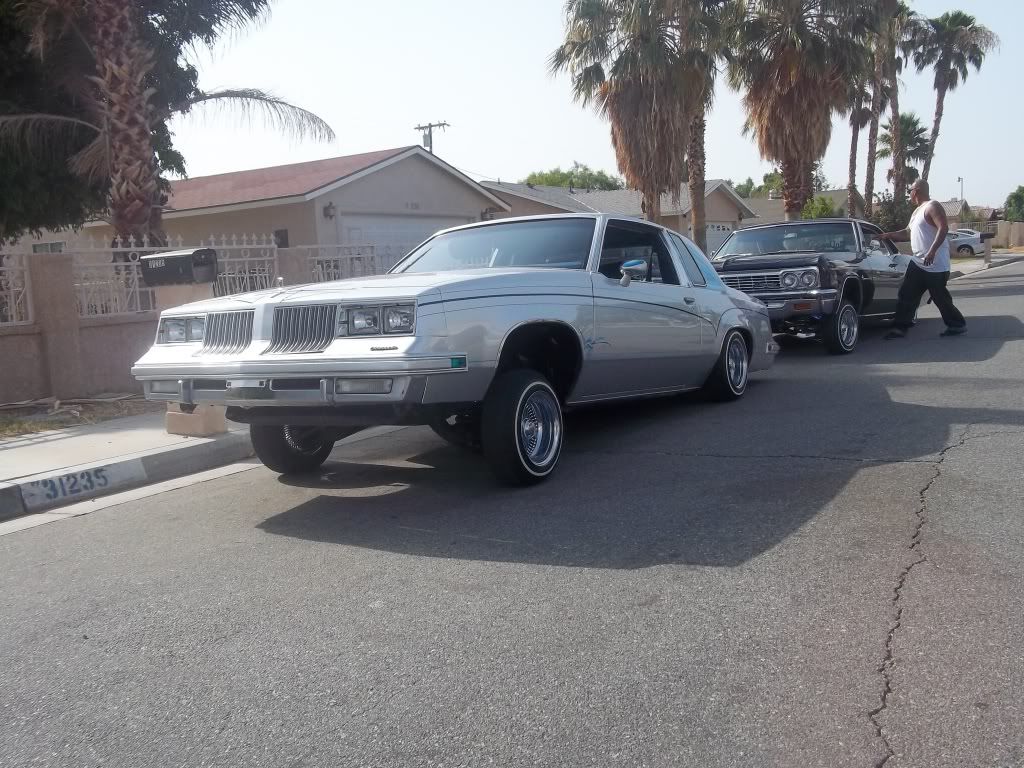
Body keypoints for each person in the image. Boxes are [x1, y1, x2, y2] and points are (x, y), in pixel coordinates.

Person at [878, 179, 967, 339]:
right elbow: (907, 233)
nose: (909, 194)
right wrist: (889, 235)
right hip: (918, 262)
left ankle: (957, 324)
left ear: (916, 190)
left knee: (940, 297)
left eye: (910, 191)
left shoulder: (933, 206)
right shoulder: (917, 212)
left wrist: (932, 251)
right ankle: (900, 328)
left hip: (935, 264)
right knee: (906, 294)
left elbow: (943, 227)